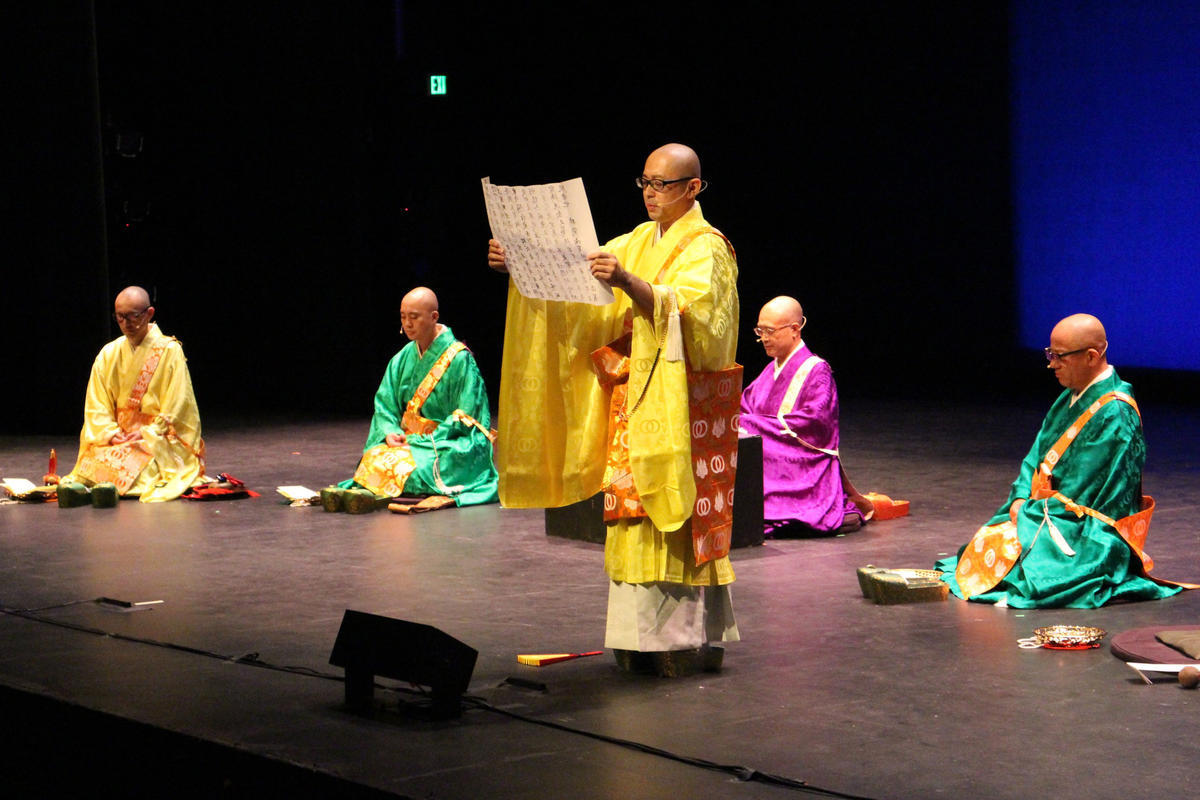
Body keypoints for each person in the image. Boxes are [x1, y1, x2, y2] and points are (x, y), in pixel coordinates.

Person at [488, 143, 741, 674]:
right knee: (631, 513)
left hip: (681, 403)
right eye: (645, 183)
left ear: (693, 188)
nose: (651, 194)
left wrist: (628, 281)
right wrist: (521, 261)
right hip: (634, 399)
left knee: (673, 514)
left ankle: (678, 640)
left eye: (663, 184)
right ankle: (635, 639)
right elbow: (577, 279)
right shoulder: (636, 239)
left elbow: (702, 318)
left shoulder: (708, 247)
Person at [936, 313, 1190, 608]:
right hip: (1044, 511)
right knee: (989, 544)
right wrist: (1020, 499)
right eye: (1050, 354)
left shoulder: (1116, 414)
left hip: (1088, 529)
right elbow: (1036, 457)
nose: (1051, 364)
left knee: (1020, 563)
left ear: (1092, 356)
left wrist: (1030, 512)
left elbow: (1086, 494)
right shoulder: (1071, 395)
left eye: (1060, 357)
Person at [339, 287, 498, 508]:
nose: (407, 324)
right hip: (407, 442)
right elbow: (385, 405)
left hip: (445, 443)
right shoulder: (402, 358)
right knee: (374, 458)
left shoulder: (460, 359)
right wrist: (389, 432)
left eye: (414, 317)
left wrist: (419, 440)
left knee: (413, 469)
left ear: (434, 317)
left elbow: (467, 418)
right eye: (403, 317)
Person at [738, 296, 873, 536]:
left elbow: (815, 424)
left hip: (802, 461)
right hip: (771, 453)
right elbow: (744, 407)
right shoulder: (770, 370)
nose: (763, 338)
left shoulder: (817, 371)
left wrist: (751, 425)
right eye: (760, 330)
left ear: (794, 329)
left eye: (769, 331)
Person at [64, 286, 206, 502]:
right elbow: (97, 405)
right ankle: (99, 488)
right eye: (120, 317)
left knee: (142, 468)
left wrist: (148, 432)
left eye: (133, 316)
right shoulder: (108, 353)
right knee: (92, 460)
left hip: (154, 438)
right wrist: (111, 433)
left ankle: (107, 488)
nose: (126, 323)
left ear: (149, 313)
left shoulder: (170, 351)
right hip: (119, 437)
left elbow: (179, 405)